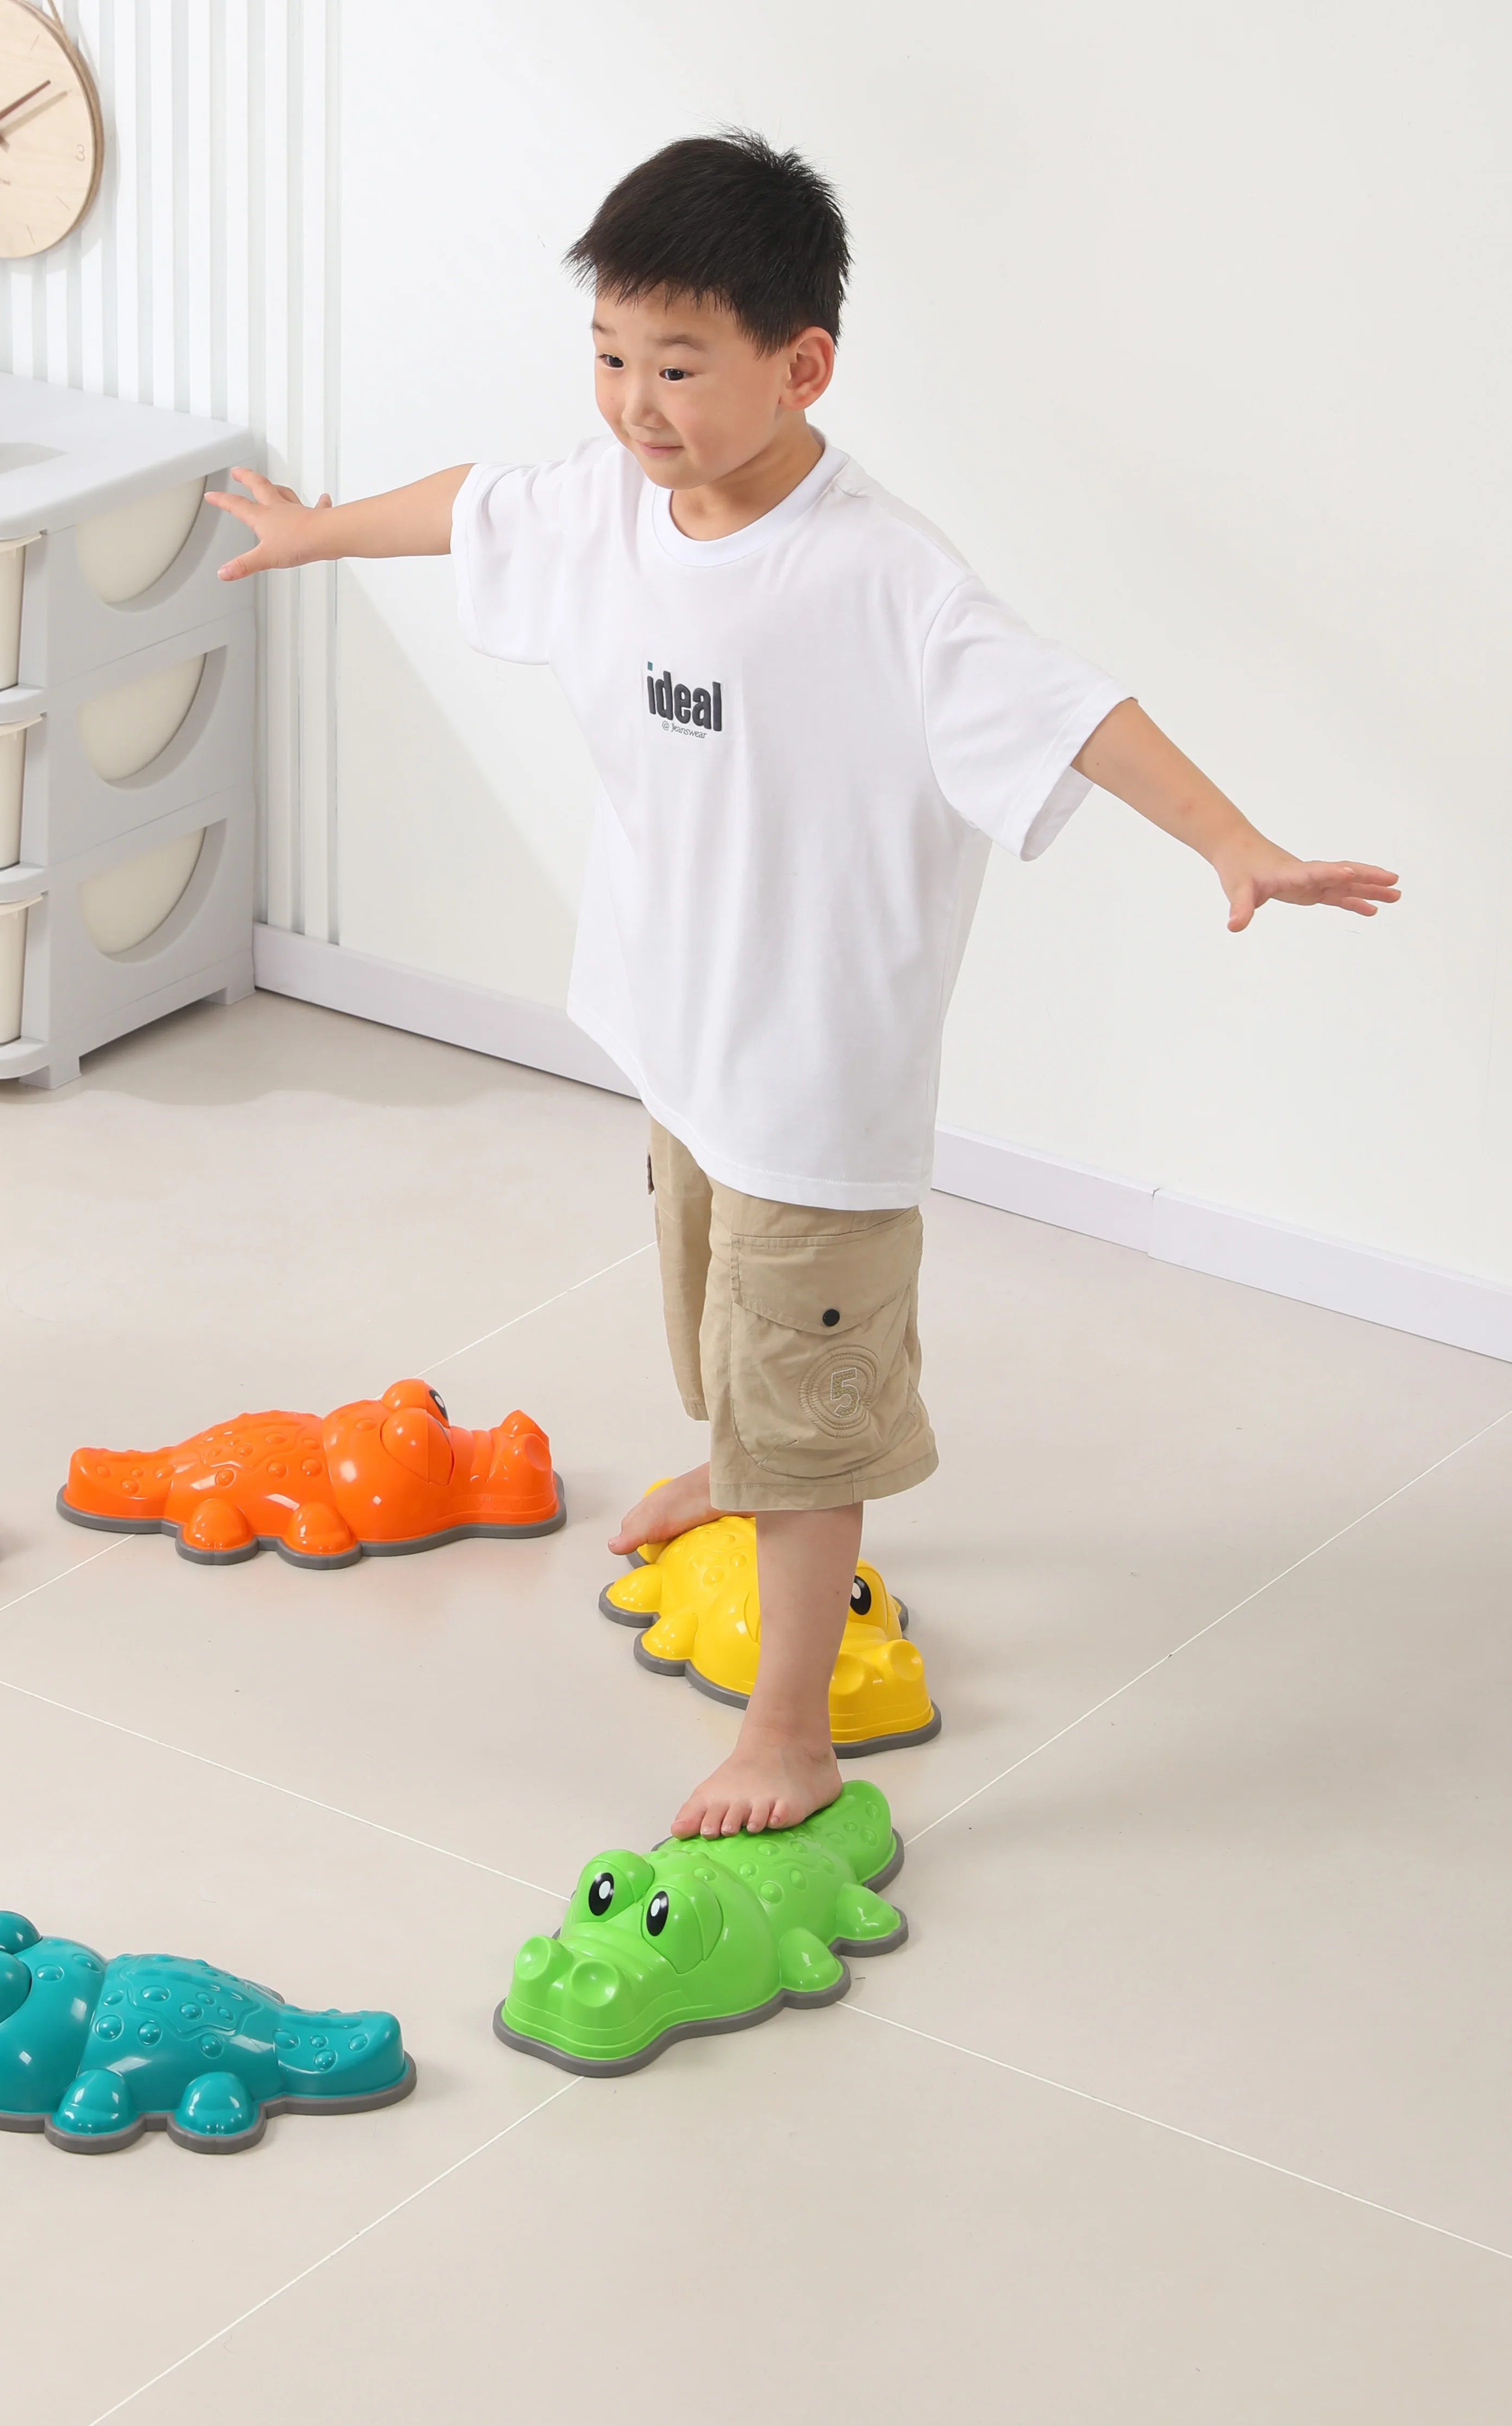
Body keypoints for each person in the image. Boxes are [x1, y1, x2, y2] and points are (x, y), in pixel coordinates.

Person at [205, 132, 1398, 1842]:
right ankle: (732, 1466)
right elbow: (476, 505)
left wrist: (1236, 843)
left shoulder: (884, 578)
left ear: (802, 366)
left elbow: (1074, 711)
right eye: (611, 356)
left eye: (679, 367)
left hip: (814, 1090)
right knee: (719, 1334)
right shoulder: (614, 506)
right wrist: (322, 529)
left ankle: (788, 1734)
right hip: (682, 1046)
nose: (635, 403)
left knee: (807, 1410)